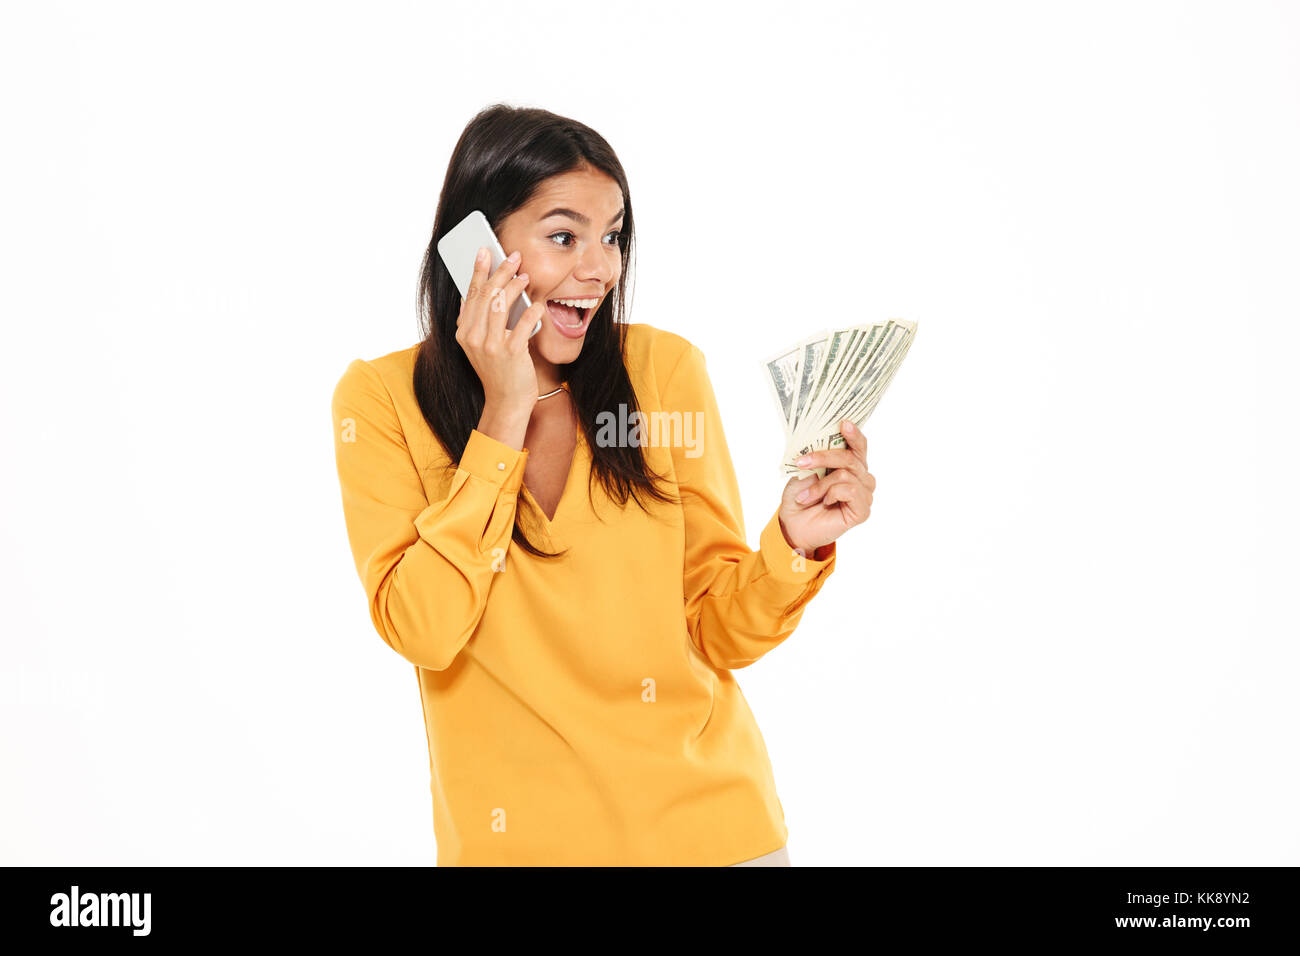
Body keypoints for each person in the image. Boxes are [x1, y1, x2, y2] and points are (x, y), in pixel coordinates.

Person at [330, 104, 876, 866]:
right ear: (473, 246)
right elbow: (422, 629)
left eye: (612, 235)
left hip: (714, 838)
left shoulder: (663, 373)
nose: (601, 268)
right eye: (564, 236)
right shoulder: (381, 400)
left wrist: (794, 544)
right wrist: (504, 414)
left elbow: (715, 631)